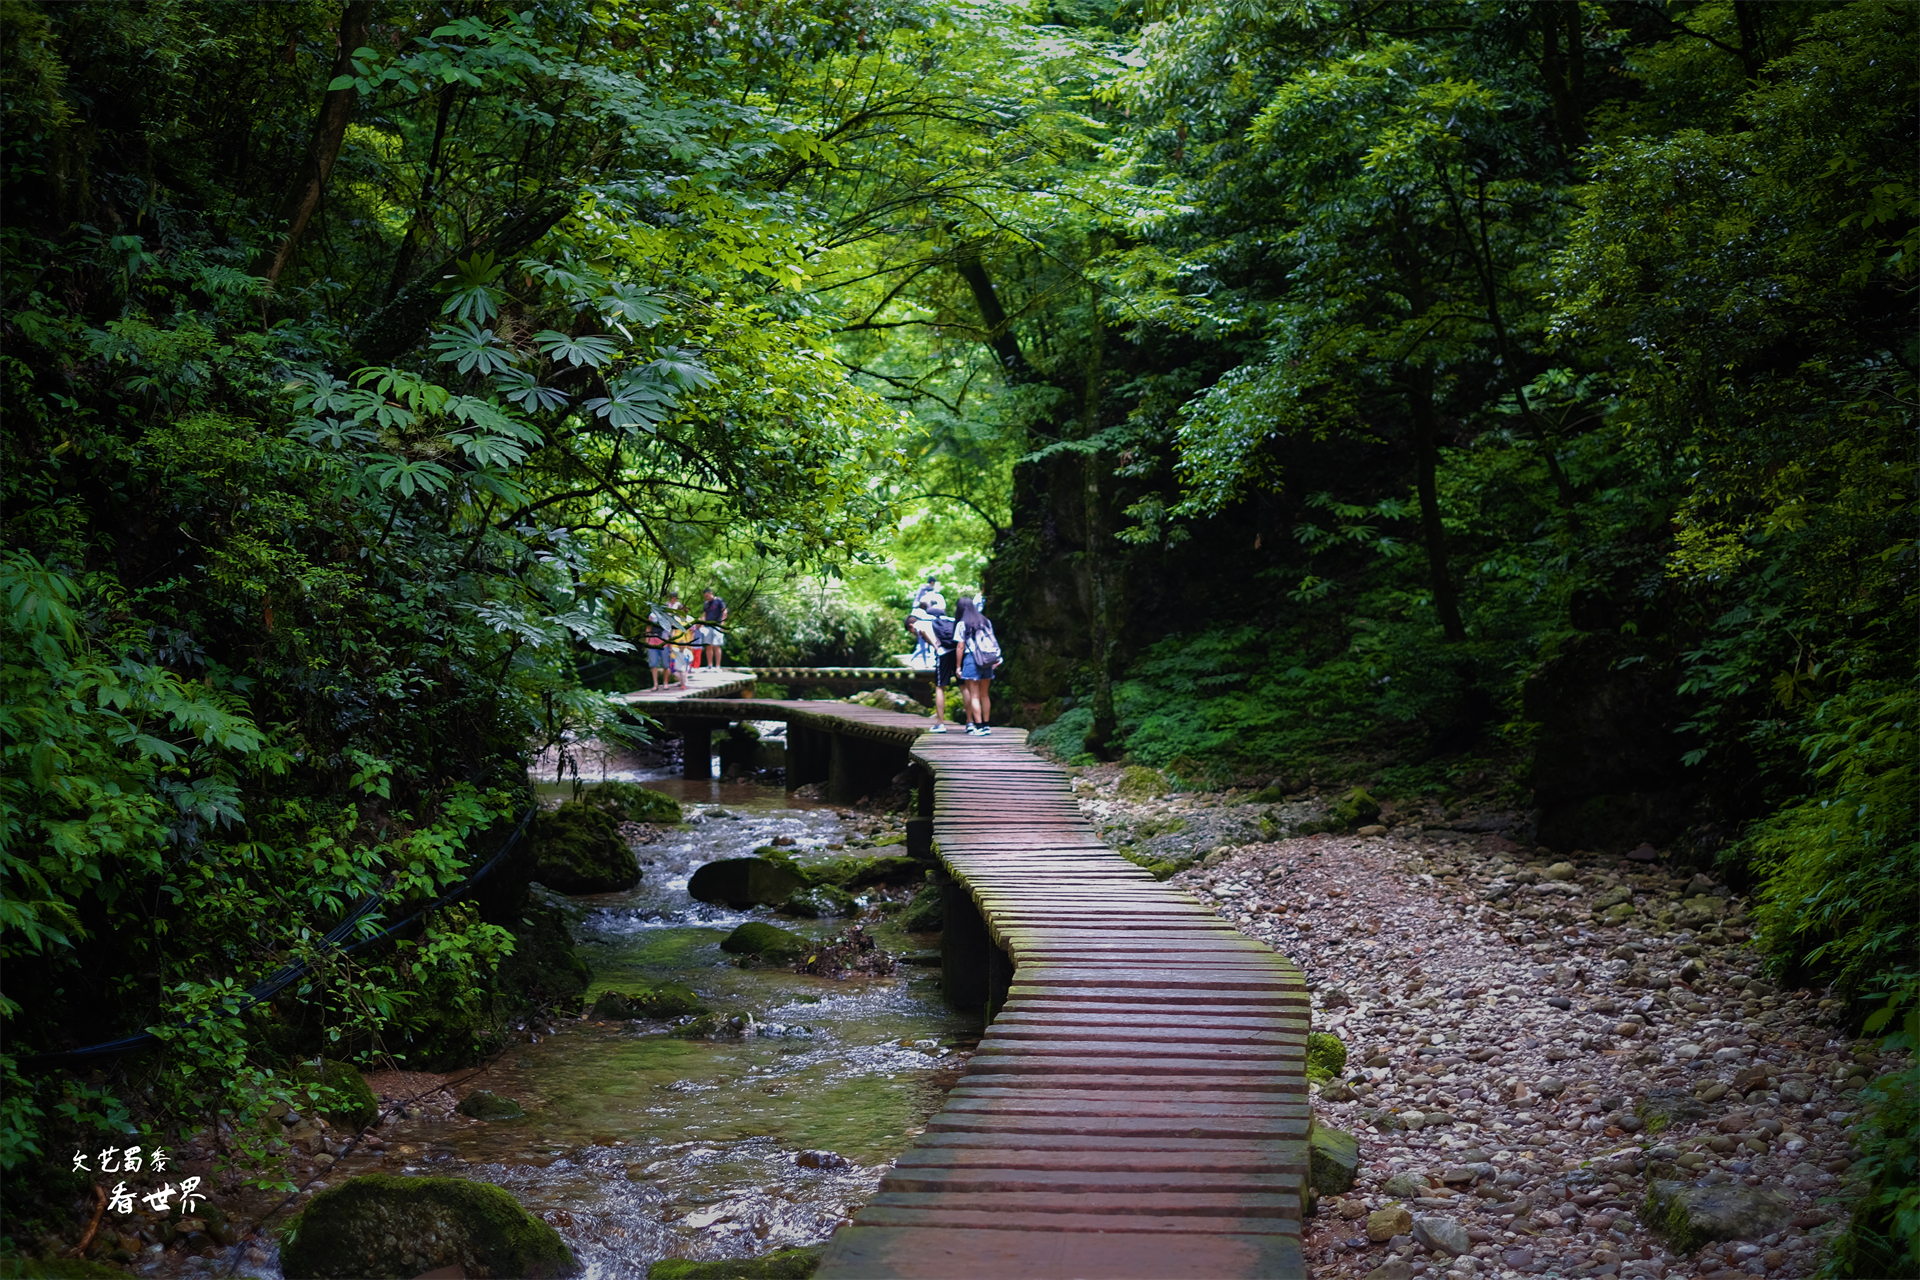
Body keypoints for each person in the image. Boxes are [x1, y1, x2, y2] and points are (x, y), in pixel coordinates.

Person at [953, 594, 1000, 735]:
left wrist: (958, 666)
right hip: (986, 660)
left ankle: (978, 726)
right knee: (984, 694)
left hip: (971, 659)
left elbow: (960, 647)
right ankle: (986, 726)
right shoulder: (986, 621)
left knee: (974, 695)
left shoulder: (962, 624)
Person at [911, 592, 958, 732]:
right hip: (957, 652)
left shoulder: (925, 622)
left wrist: (935, 646)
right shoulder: (952, 620)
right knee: (965, 687)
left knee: (940, 687)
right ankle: (971, 723)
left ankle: (940, 723)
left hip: (943, 654)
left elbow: (922, 631)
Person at [662, 590, 695, 689]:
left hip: (686, 644)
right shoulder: (675, 619)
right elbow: (673, 632)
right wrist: (671, 643)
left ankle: (684, 682)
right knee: (673, 665)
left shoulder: (690, 619)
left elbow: (692, 633)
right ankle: (681, 681)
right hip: (676, 644)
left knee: (685, 664)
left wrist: (691, 644)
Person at [699, 587, 729, 670]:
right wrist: (702, 624)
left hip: (717, 625)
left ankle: (718, 666)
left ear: (711, 593)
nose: (706, 598)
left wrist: (722, 623)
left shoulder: (719, 600)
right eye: (705, 596)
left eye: (707, 596)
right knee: (708, 646)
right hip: (708, 626)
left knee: (716, 646)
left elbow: (725, 611)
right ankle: (710, 665)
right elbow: (704, 614)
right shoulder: (706, 603)